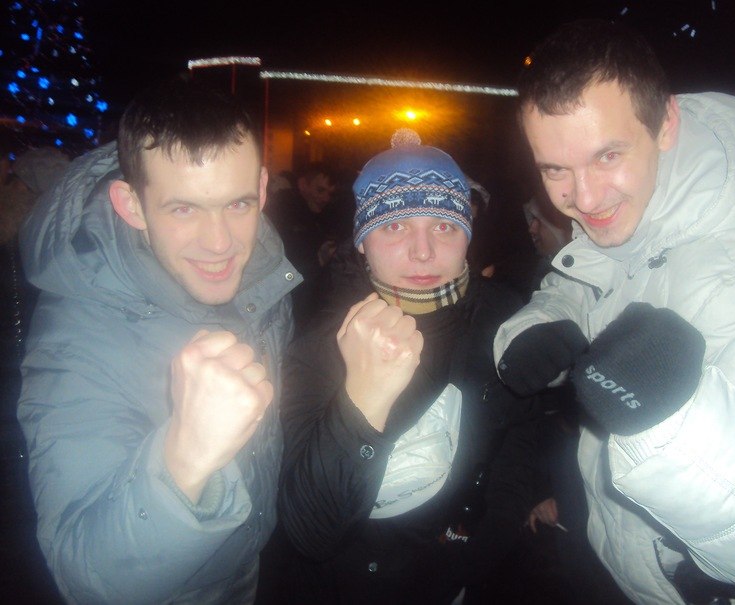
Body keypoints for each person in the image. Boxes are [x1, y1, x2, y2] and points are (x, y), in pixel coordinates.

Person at [494, 18, 735, 605]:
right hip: (621, 561)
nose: (583, 199)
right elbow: (595, 272)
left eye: (607, 155)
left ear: (666, 122)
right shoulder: (646, 210)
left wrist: (672, 422)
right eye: (555, 169)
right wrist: (541, 324)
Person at [16, 76, 300, 604]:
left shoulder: (262, 268)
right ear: (131, 205)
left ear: (262, 190)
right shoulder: (77, 338)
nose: (220, 243)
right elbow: (85, 577)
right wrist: (185, 457)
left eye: (238, 204)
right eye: (183, 209)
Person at [267, 128, 536, 604]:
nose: (423, 251)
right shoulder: (322, 341)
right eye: (395, 227)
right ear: (362, 241)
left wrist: (479, 550)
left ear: (468, 233)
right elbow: (311, 531)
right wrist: (362, 398)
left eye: (444, 226)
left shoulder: (500, 314)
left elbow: (524, 429)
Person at [266, 161, 350, 329]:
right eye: (320, 190)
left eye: (330, 193)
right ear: (303, 185)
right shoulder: (284, 212)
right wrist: (318, 261)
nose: (325, 198)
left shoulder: (321, 217)